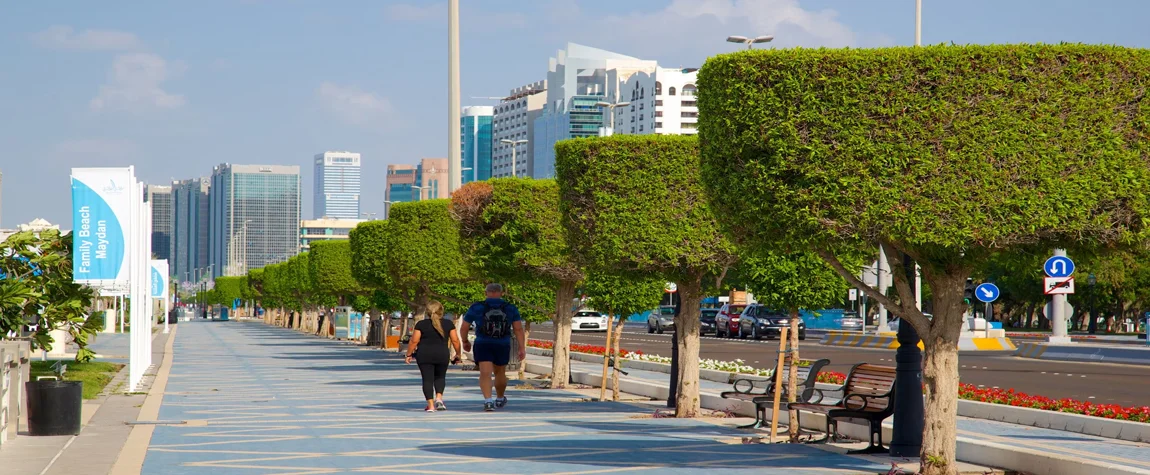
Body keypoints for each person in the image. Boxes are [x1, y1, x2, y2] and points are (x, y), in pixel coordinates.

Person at [461, 283, 526, 412]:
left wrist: (465, 341)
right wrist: (521, 347)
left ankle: (488, 401)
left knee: (485, 373)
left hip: (483, 343)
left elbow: (464, 327)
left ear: (486, 293)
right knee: (500, 372)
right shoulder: (510, 308)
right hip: (502, 343)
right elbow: (518, 329)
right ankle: (500, 398)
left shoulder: (477, 307)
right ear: (502, 293)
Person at [405, 301, 463, 412]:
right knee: (440, 377)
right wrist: (458, 354)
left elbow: (414, 341)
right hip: (442, 354)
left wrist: (409, 354)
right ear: (441, 311)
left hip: (424, 354)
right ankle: (439, 399)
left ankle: (431, 406)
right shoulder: (448, 324)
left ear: (427, 312)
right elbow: (455, 340)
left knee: (427, 379)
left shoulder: (421, 324)